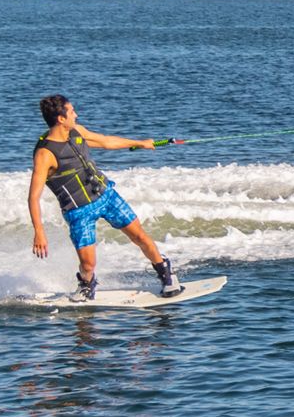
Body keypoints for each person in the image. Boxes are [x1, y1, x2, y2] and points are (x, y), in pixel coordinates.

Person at [27, 95, 183, 301]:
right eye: (72, 111)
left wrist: (140, 143)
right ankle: (86, 285)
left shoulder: (77, 131)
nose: (76, 114)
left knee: (139, 236)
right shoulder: (44, 154)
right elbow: (33, 197)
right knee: (88, 263)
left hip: (106, 195)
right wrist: (39, 231)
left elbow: (105, 141)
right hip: (78, 210)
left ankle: (165, 272)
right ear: (60, 119)